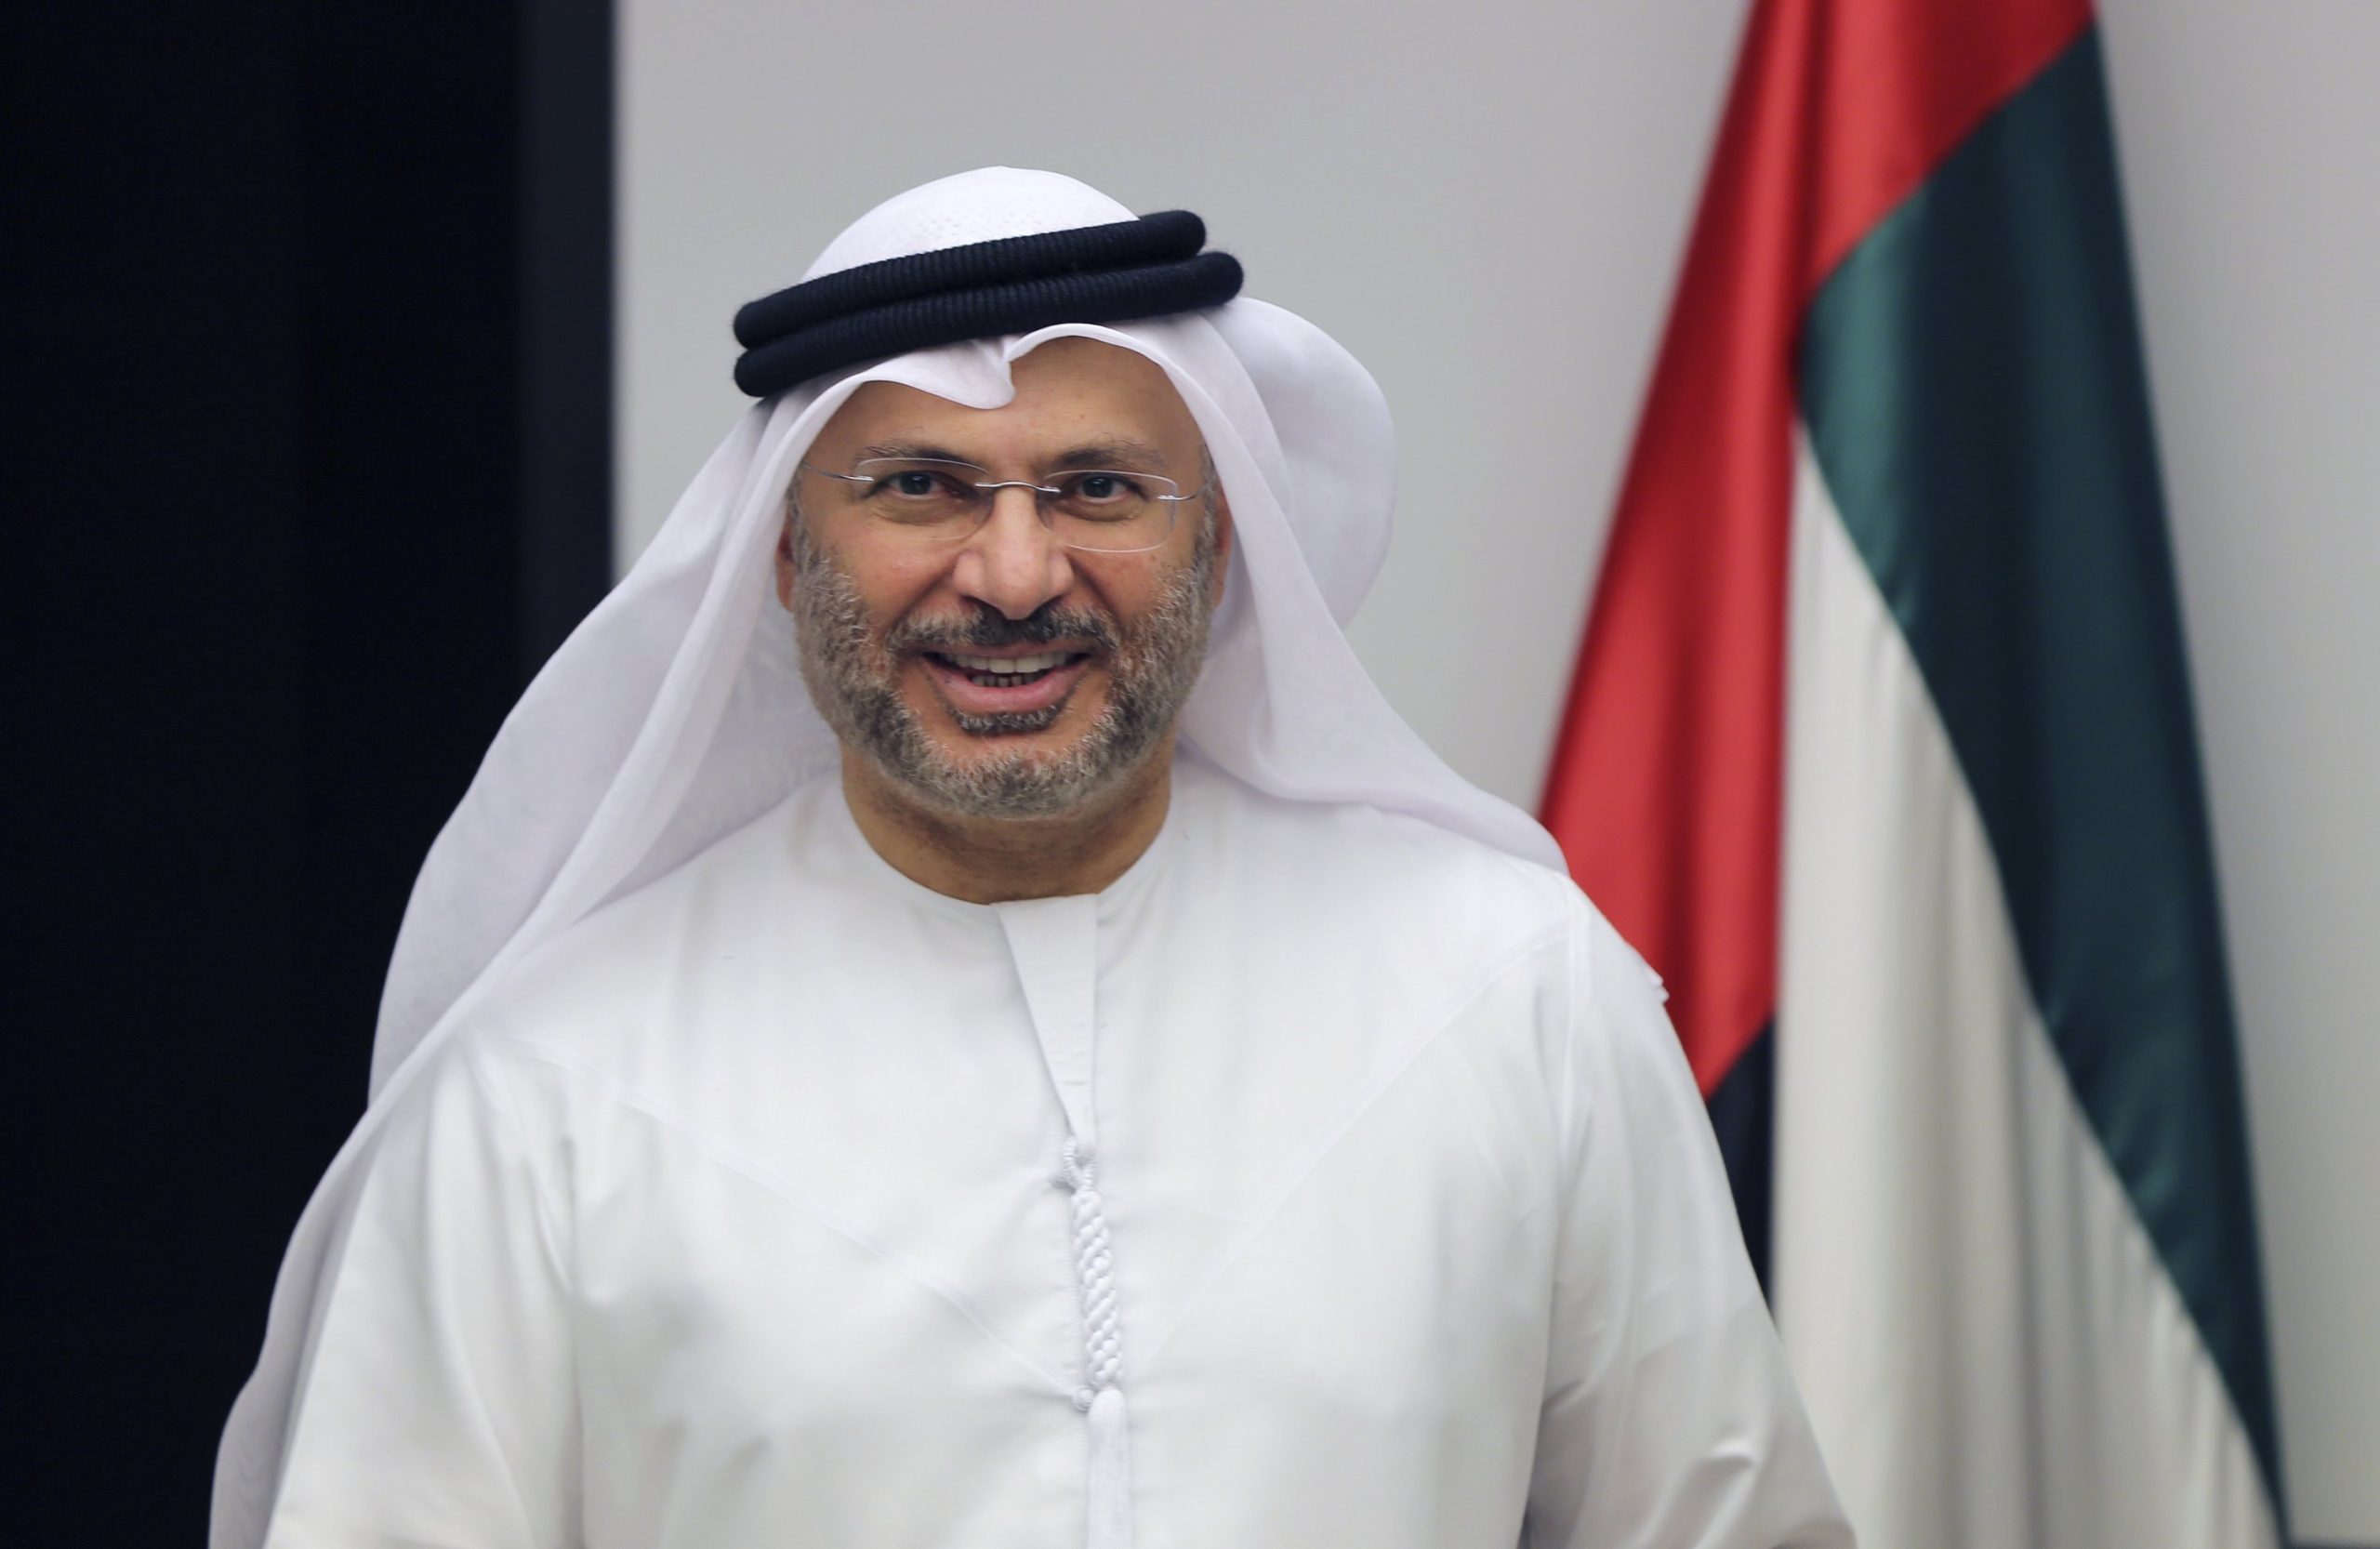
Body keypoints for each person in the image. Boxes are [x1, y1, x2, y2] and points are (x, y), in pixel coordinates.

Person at [214, 167, 1854, 1549]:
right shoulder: (544, 1092)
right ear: (784, 555)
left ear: (1218, 546)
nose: (1013, 574)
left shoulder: (1514, 997)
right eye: (920, 487)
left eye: (1098, 488)